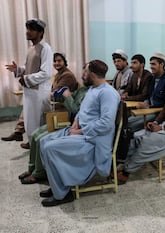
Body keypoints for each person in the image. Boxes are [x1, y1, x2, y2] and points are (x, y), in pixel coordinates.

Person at [39, 60, 120, 207]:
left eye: (85, 72)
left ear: (93, 75)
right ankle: (59, 184)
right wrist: (76, 120)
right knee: (43, 141)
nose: (82, 75)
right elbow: (84, 110)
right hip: (81, 131)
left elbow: (106, 124)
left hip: (93, 139)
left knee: (50, 148)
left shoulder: (108, 93)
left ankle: (62, 194)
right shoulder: (93, 89)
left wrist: (79, 131)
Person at [117, 60, 165, 183]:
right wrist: (156, 122)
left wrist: (162, 128)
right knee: (136, 136)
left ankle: (127, 171)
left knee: (146, 142)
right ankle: (124, 163)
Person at [18, 53, 82, 184]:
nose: (57, 63)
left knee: (40, 137)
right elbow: (52, 93)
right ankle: (32, 168)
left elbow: (56, 95)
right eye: (55, 61)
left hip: (63, 113)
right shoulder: (58, 75)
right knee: (35, 134)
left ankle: (39, 173)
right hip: (58, 110)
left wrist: (44, 93)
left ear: (65, 62)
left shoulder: (67, 76)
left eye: (59, 61)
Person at [5, 18, 53, 149]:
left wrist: (25, 79)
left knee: (36, 125)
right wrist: (18, 70)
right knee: (29, 124)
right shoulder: (32, 48)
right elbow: (29, 67)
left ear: (40, 32)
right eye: (27, 29)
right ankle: (34, 151)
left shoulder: (45, 48)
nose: (28, 32)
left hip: (39, 93)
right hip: (30, 92)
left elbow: (46, 73)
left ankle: (38, 160)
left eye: (31, 29)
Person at [127, 52, 165, 132]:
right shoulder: (152, 78)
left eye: (154, 64)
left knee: (130, 124)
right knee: (126, 120)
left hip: (158, 112)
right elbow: (148, 95)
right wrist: (145, 103)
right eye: (150, 64)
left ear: (161, 64)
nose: (151, 67)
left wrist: (149, 106)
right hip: (148, 109)